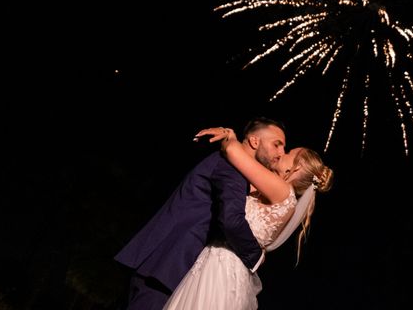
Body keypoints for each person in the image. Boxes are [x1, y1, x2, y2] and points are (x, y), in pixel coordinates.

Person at [114, 117, 287, 310]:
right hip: (169, 267)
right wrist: (255, 256)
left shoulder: (231, 164)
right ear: (255, 141)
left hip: (163, 266)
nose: (281, 153)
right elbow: (231, 220)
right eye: (277, 144)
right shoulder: (233, 170)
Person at [163, 126, 334, 310]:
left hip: (221, 269)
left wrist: (229, 134)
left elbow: (233, 151)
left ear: (296, 167)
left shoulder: (282, 190)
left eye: (288, 152)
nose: (281, 153)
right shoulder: (282, 197)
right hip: (228, 269)